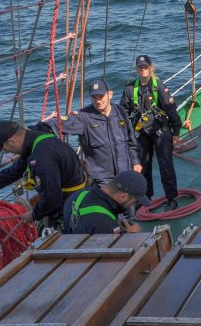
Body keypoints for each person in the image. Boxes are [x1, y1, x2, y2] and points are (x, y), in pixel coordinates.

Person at [0, 120, 87, 227]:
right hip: (75, 199)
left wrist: (33, 214)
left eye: (5, 149)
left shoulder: (42, 157)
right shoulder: (37, 140)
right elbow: (14, 172)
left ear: (11, 141)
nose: (8, 152)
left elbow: (52, 199)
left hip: (69, 211)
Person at [121, 55, 182, 210]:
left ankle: (171, 198)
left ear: (150, 68)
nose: (143, 70)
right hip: (141, 133)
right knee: (143, 167)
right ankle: (146, 198)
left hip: (161, 131)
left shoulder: (158, 87)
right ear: (136, 69)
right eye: (140, 67)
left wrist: (176, 131)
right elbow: (124, 113)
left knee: (166, 165)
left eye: (145, 67)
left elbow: (171, 110)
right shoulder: (129, 89)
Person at [58, 80, 141, 189]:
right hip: (102, 178)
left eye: (101, 96)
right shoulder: (83, 117)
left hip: (125, 171)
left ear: (110, 94)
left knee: (129, 204)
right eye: (94, 97)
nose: (98, 101)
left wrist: (135, 162)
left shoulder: (120, 112)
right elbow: (58, 126)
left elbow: (131, 140)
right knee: (107, 204)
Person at [63, 170, 150, 234]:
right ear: (124, 197)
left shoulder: (77, 195)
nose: (132, 205)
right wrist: (131, 236)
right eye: (133, 201)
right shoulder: (106, 225)